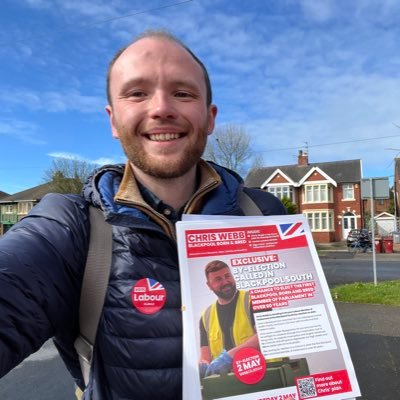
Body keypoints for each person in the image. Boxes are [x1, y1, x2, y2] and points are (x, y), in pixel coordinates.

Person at [0, 30, 286, 399]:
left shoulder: (263, 214)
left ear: (210, 117)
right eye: (137, 93)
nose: (161, 108)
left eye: (183, 93)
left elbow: (295, 327)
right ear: (114, 120)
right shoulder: (68, 227)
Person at [199, 260, 259, 377]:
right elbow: (205, 356)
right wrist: (203, 365)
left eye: (227, 276)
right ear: (209, 286)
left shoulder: (254, 300)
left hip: (262, 373)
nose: (225, 282)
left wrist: (229, 356)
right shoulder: (206, 316)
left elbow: (266, 336)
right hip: (227, 382)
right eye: (218, 279)